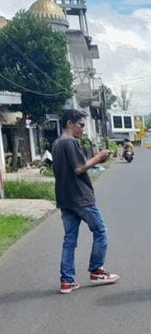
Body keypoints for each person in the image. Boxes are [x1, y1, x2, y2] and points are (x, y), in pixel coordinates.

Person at [52, 109, 119, 294]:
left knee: (69, 240)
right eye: (81, 125)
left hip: (64, 198)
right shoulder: (69, 142)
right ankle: (97, 271)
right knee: (100, 231)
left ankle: (67, 281)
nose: (83, 129)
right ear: (69, 124)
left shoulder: (57, 143)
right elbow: (79, 168)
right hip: (80, 197)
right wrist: (99, 157)